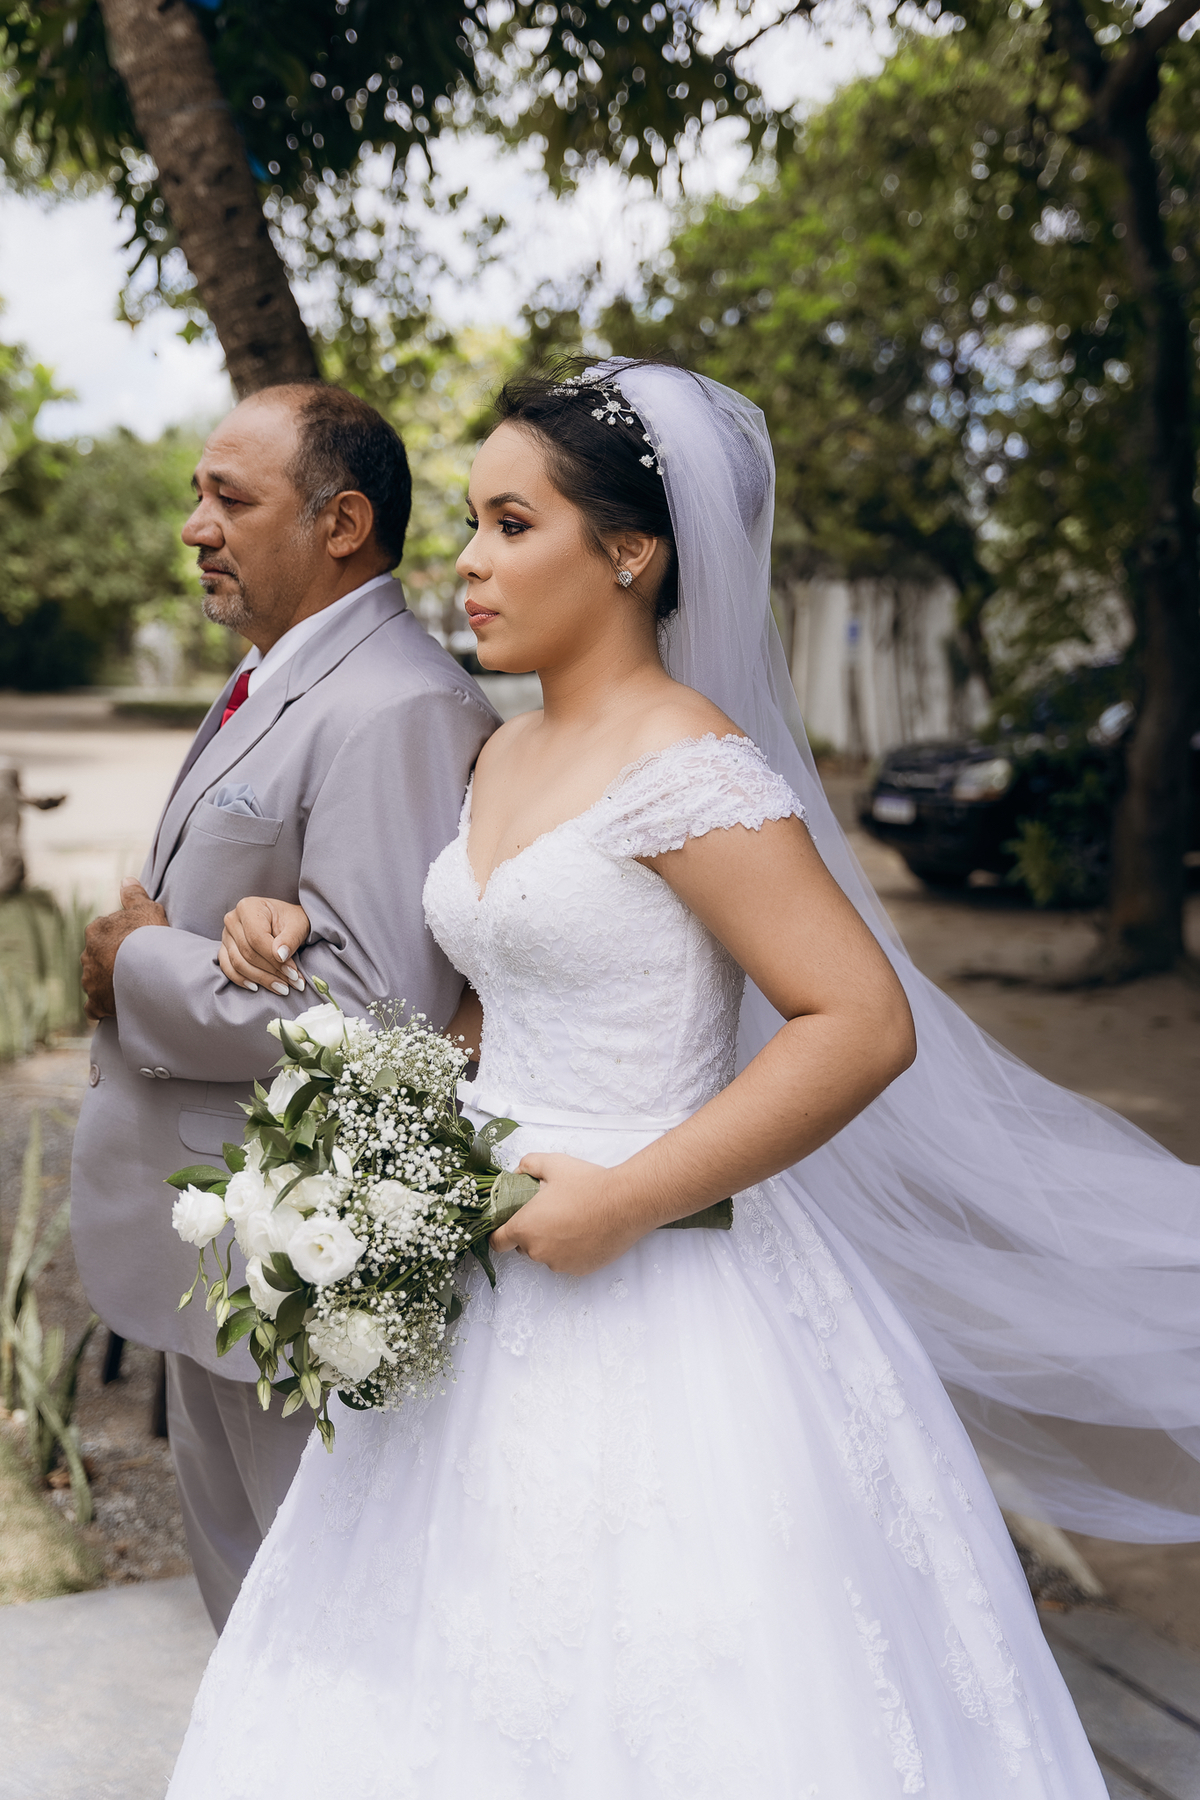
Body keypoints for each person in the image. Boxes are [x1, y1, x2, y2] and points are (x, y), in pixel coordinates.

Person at [166, 362, 1200, 1797]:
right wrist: (280, 928)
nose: (468, 560)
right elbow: (491, 1002)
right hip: (479, 1271)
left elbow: (858, 1020)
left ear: (632, 552)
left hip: (664, 1281)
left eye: (514, 524)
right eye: (472, 523)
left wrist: (627, 1203)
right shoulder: (506, 749)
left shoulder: (689, 764)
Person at [72, 382, 498, 1633]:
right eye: (199, 494)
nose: (196, 526)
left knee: (308, 1631)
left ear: (343, 523)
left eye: (230, 498)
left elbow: (375, 1014)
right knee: (243, 1620)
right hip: (216, 1251)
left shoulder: (403, 704)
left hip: (295, 1269)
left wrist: (133, 963)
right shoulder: (271, 677)